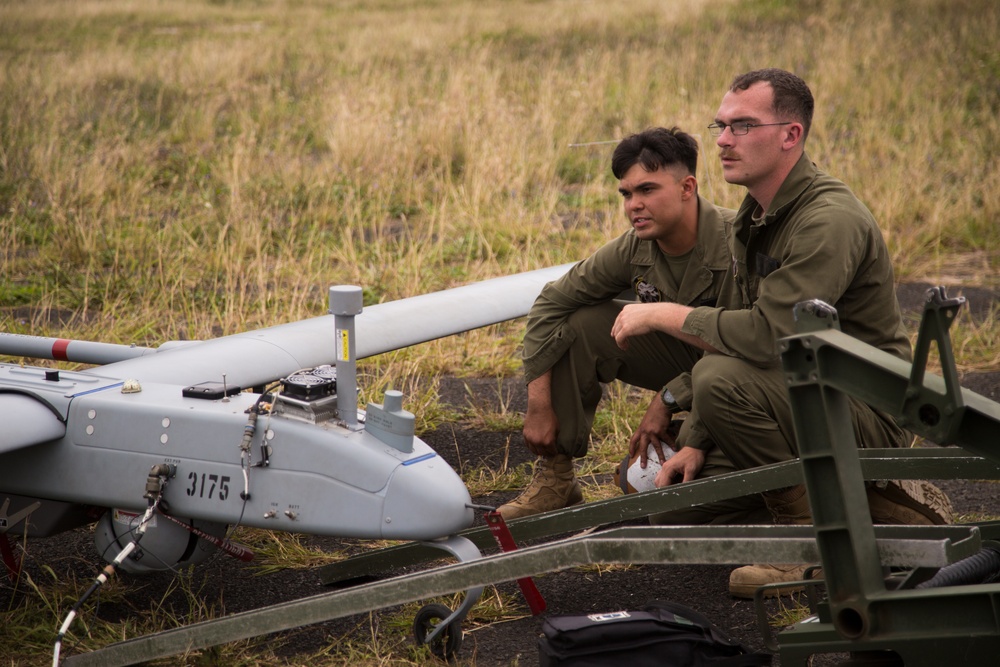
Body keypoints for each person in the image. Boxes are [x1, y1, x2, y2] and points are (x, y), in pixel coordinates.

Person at [609, 68, 952, 597]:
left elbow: (766, 338)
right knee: (674, 505)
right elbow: (739, 334)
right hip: (796, 398)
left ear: (790, 135)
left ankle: (807, 545)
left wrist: (660, 313)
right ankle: (878, 510)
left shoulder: (827, 219)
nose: (722, 140)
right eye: (721, 126)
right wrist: (698, 438)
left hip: (860, 408)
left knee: (721, 377)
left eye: (742, 126)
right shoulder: (755, 214)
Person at [498, 126, 768, 526]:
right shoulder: (636, 244)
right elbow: (551, 303)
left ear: (687, 187)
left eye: (647, 190)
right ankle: (557, 478)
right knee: (582, 323)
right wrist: (538, 406)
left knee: (675, 503)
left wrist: (668, 399)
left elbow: (749, 348)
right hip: (693, 362)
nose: (633, 205)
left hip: (743, 377)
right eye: (626, 194)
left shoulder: (738, 247)